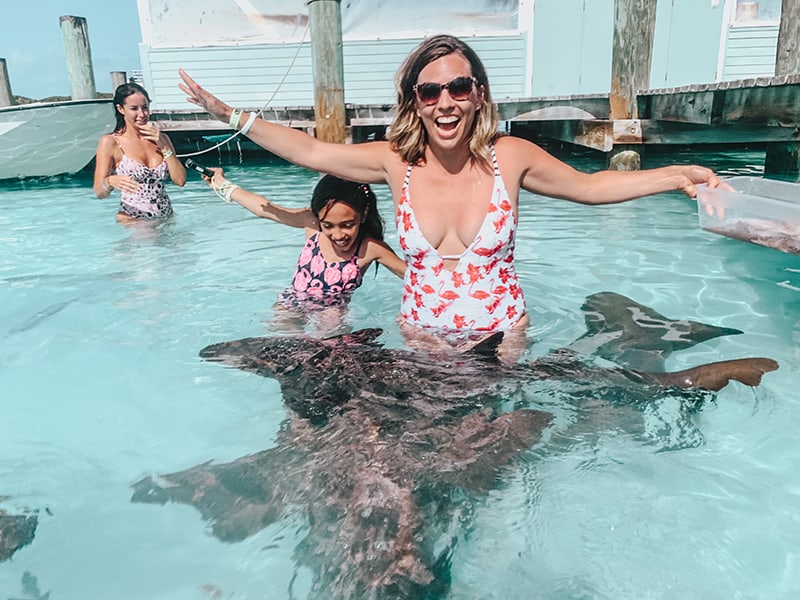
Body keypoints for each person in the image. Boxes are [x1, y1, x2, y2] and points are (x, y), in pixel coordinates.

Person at [178, 34, 728, 334]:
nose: (445, 102)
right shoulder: (396, 162)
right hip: (420, 336)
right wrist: (231, 115)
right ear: (414, 102)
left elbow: (591, 187)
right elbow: (312, 150)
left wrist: (679, 174)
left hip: (501, 336)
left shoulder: (510, 157)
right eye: (429, 91)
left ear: (478, 93)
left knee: (489, 481)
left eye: (459, 87)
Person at [205, 169, 405, 310]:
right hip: (291, 303)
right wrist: (222, 184)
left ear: (364, 214)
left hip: (332, 313)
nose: (338, 235)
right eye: (328, 225)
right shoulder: (311, 225)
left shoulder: (369, 248)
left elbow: (412, 276)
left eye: (347, 225)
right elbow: (263, 208)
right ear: (318, 218)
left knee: (330, 332)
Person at [94, 83, 186, 222]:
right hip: (133, 220)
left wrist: (163, 145)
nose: (142, 114)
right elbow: (99, 192)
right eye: (134, 109)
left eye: (145, 108)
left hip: (166, 218)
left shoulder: (162, 139)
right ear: (121, 109)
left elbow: (180, 181)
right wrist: (110, 181)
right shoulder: (110, 142)